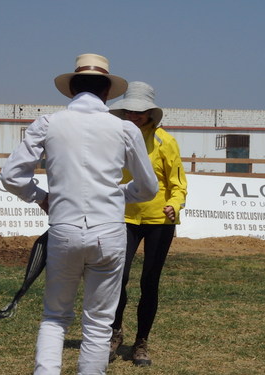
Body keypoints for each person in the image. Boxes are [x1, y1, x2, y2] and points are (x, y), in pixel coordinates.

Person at [0, 55, 158, 375]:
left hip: (64, 227)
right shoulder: (125, 128)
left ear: (72, 90)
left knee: (55, 317)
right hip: (109, 230)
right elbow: (147, 188)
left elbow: (11, 176)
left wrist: (41, 197)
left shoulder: (48, 122)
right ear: (108, 93)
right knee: (99, 323)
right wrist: (116, 196)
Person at [108, 81, 188, 366]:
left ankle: (141, 342)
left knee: (149, 281)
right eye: (129, 110)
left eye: (140, 111)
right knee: (118, 278)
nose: (134, 115)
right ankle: (114, 333)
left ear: (151, 113)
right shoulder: (115, 138)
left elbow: (178, 184)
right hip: (124, 217)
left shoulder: (166, 141)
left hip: (159, 221)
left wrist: (175, 205)